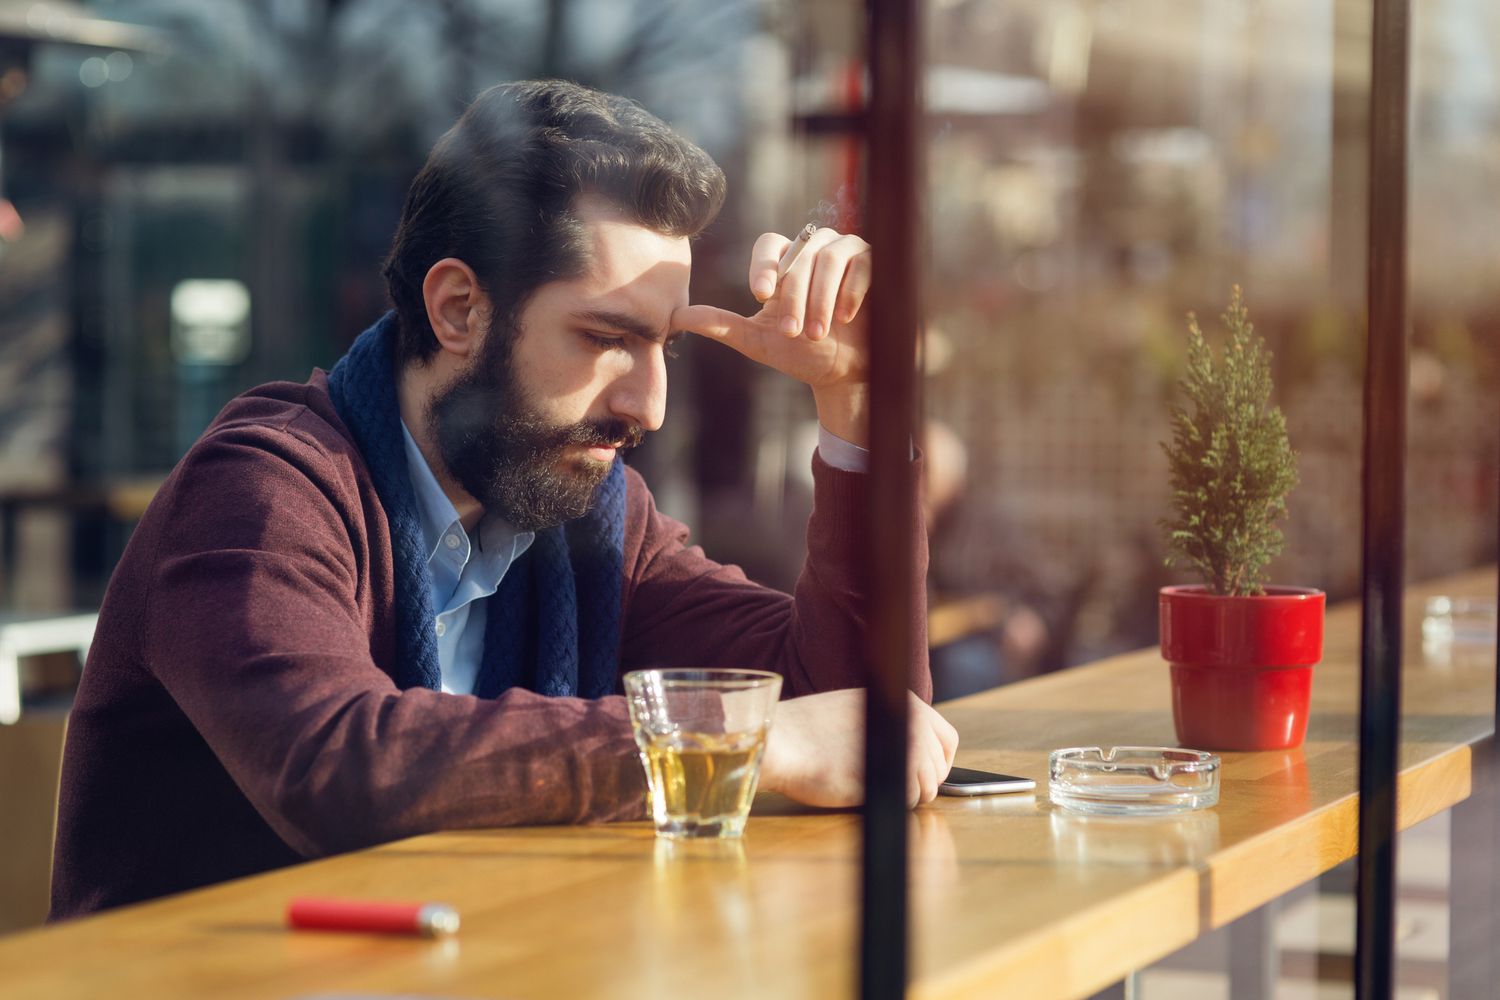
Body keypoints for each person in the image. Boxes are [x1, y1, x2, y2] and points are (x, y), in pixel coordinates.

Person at [49, 80, 956, 919]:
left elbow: (860, 716)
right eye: (605, 338)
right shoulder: (261, 485)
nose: (649, 404)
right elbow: (335, 764)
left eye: (662, 350)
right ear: (456, 311)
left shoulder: (598, 521)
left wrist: (861, 408)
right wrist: (733, 740)